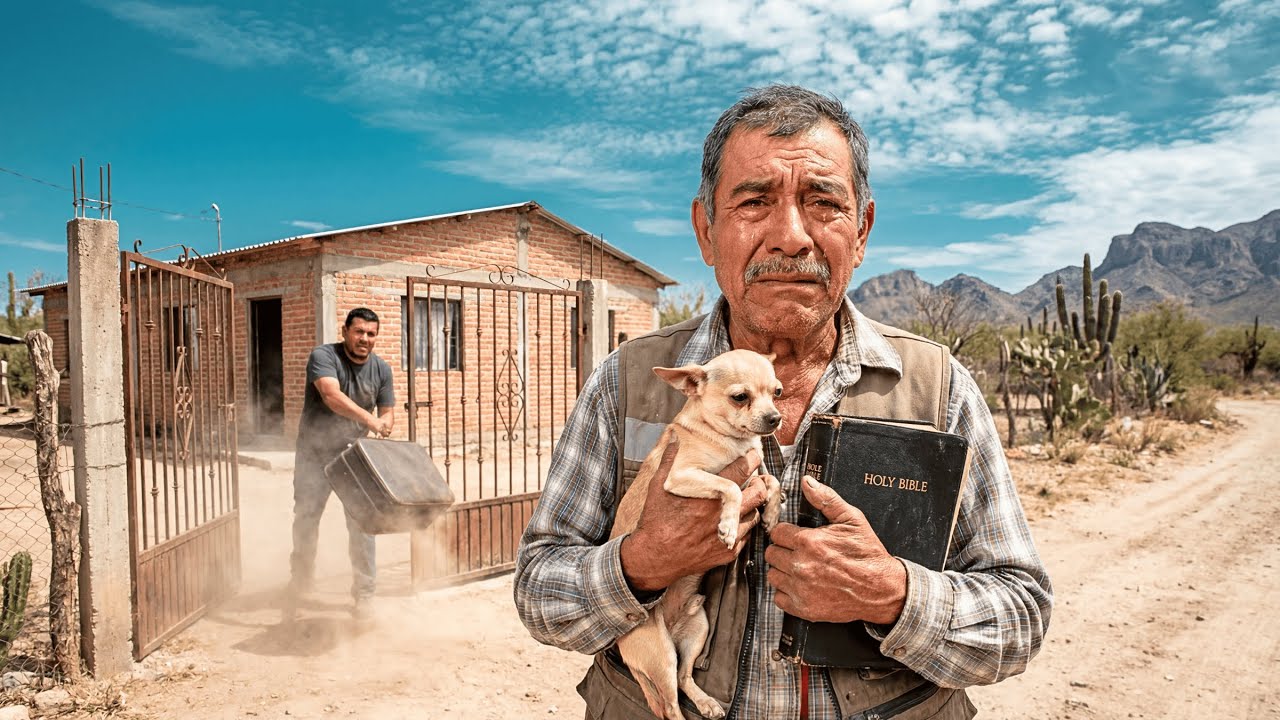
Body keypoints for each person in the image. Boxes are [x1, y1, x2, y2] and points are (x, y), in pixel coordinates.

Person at [514, 85, 1052, 720]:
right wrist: (643, 562)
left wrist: (892, 596)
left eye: (823, 203)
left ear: (862, 231)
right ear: (705, 231)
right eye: (754, 202)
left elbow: (1019, 616)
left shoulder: (937, 388)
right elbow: (540, 593)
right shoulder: (626, 383)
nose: (791, 236)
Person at [288, 307, 395, 622]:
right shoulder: (323, 356)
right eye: (359, 332)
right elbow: (331, 395)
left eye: (371, 334)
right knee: (306, 519)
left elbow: (387, 410)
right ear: (346, 330)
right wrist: (370, 420)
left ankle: (364, 595)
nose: (365, 339)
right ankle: (301, 582)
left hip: (353, 458)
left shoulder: (381, 369)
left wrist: (385, 422)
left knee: (363, 526)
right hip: (314, 453)